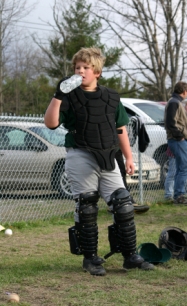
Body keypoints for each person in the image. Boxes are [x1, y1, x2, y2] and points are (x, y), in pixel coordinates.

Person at [44, 47, 154, 276]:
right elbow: (50, 123)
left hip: (110, 155)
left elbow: (120, 129)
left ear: (97, 72)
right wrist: (58, 95)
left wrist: (130, 157)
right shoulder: (68, 96)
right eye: (77, 67)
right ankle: (90, 259)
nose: (81, 71)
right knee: (87, 206)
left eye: (86, 67)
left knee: (123, 204)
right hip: (80, 153)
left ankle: (130, 256)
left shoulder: (111, 97)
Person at [164, 81, 187, 205]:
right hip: (177, 140)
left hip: (177, 139)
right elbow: (171, 123)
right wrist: (180, 136)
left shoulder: (175, 102)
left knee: (180, 168)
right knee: (183, 168)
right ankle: (179, 196)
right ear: (184, 92)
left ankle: (179, 195)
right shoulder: (174, 103)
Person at [115, 149, 149, 213]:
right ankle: (122, 203)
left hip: (114, 148)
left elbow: (123, 138)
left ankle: (126, 202)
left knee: (121, 173)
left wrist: (129, 158)